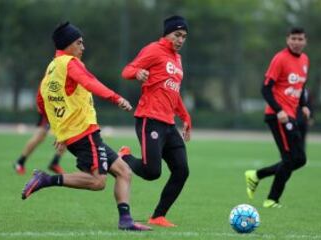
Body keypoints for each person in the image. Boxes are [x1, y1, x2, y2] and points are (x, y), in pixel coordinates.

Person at [21, 22, 151, 231]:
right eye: (79, 43)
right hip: (84, 132)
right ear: (68, 45)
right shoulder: (70, 63)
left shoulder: (52, 68)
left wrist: (60, 132)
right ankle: (46, 179)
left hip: (77, 133)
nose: (83, 47)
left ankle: (125, 220)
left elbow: (42, 102)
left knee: (124, 171)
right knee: (98, 182)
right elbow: (90, 82)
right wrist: (116, 98)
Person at [119, 15, 191, 227]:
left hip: (168, 124)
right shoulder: (153, 49)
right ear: (166, 33)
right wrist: (138, 73)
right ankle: (123, 157)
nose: (180, 40)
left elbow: (174, 93)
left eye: (184, 36)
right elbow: (127, 71)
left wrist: (185, 116)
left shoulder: (177, 59)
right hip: (149, 120)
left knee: (182, 170)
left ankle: (158, 216)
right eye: (177, 35)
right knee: (152, 173)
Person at [245, 27, 311, 208]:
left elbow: (302, 87)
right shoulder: (280, 58)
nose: (297, 42)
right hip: (278, 117)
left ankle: (256, 175)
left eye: (300, 39)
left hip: (292, 115)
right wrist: (279, 110)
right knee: (290, 159)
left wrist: (304, 105)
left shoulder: (305, 60)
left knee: (300, 160)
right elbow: (265, 89)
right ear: (287, 39)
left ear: (305, 41)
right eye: (294, 38)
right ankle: (272, 199)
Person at [14, 111, 65, 175]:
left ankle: (55, 162)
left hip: (64, 108)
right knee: (40, 136)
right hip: (50, 109)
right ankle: (20, 162)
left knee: (66, 133)